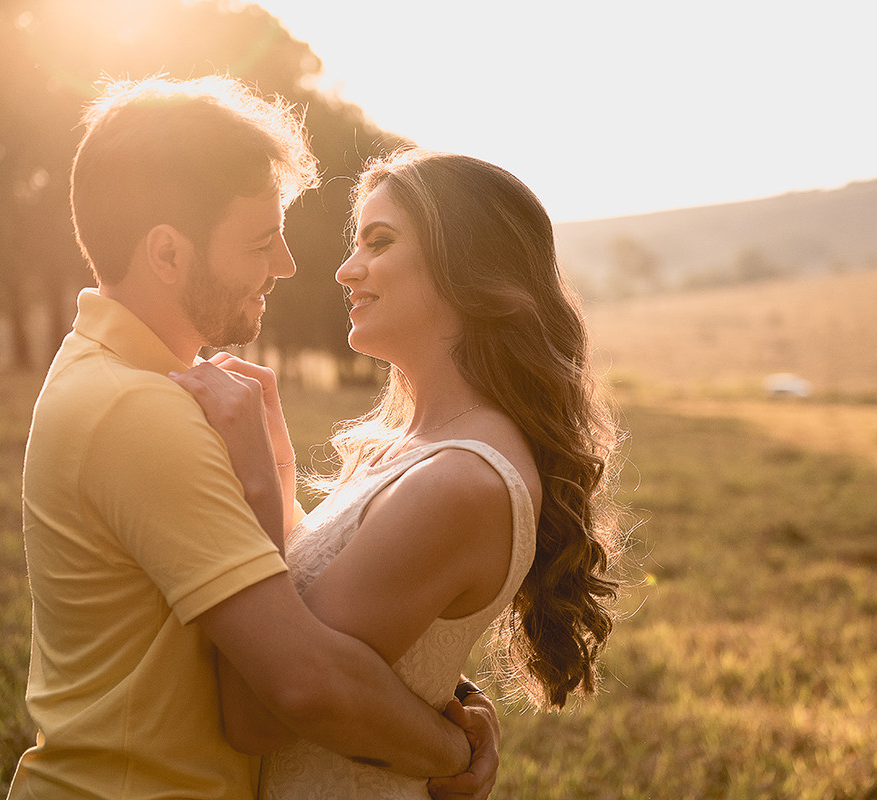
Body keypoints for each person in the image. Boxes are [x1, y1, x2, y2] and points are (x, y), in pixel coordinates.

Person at [8, 76, 497, 800]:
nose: (287, 266)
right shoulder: (139, 411)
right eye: (262, 242)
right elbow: (298, 684)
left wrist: (273, 476)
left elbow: (285, 608)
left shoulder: (114, 373)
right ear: (168, 255)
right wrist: (453, 751)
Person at [174, 149, 626, 798]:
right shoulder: (407, 447)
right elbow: (335, 619)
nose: (345, 270)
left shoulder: (462, 482)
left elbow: (260, 711)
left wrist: (256, 484)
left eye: (378, 242)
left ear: (468, 265)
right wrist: (275, 460)